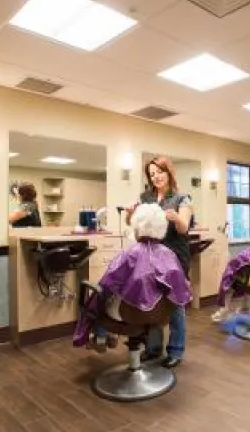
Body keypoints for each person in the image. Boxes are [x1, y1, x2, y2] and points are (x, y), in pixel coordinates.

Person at [73, 203, 192, 352]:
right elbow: (181, 293)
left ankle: (101, 336)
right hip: (160, 315)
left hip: (129, 314)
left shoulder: (129, 254)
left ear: (137, 227)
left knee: (100, 295)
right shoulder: (169, 255)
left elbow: (107, 285)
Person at [124, 155, 192, 368]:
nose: (156, 177)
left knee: (174, 303)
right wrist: (129, 215)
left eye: (159, 172)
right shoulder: (146, 198)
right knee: (151, 300)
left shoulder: (181, 199)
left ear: (168, 172)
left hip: (174, 258)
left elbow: (184, 228)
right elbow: (136, 225)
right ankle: (153, 349)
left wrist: (176, 218)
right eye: (152, 174)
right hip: (150, 257)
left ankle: (176, 350)